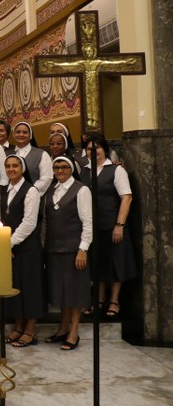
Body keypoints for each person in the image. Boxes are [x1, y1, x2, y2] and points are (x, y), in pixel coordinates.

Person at [80, 133, 135, 319]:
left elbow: (126, 198)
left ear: (104, 149)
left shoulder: (116, 170)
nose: (93, 151)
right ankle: (99, 298)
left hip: (113, 225)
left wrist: (119, 224)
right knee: (98, 262)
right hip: (92, 227)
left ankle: (114, 300)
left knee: (116, 262)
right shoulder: (84, 171)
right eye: (89, 149)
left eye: (97, 148)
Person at [44, 155, 92, 351]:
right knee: (61, 291)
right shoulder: (50, 190)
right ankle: (63, 328)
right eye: (56, 167)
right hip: (53, 249)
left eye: (64, 167)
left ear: (71, 169)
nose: (60, 170)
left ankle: (74, 331)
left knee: (75, 291)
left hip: (74, 249)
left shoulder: (81, 190)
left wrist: (83, 249)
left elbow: (88, 222)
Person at [0, 154, 45, 348]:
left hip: (27, 248)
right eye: (8, 166)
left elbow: (30, 222)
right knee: (14, 286)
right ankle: (18, 326)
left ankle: (30, 330)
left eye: (15, 166)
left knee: (30, 287)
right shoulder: (2, 190)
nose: (11, 169)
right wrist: (2, 244)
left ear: (22, 168)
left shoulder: (31, 190)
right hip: (8, 247)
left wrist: (9, 243)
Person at [9, 122, 53, 195]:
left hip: (33, 196)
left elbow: (46, 178)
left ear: (30, 135)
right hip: (10, 196)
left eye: (25, 132)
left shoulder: (42, 154)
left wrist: (29, 192)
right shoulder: (7, 154)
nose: (21, 134)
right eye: (18, 132)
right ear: (13, 134)